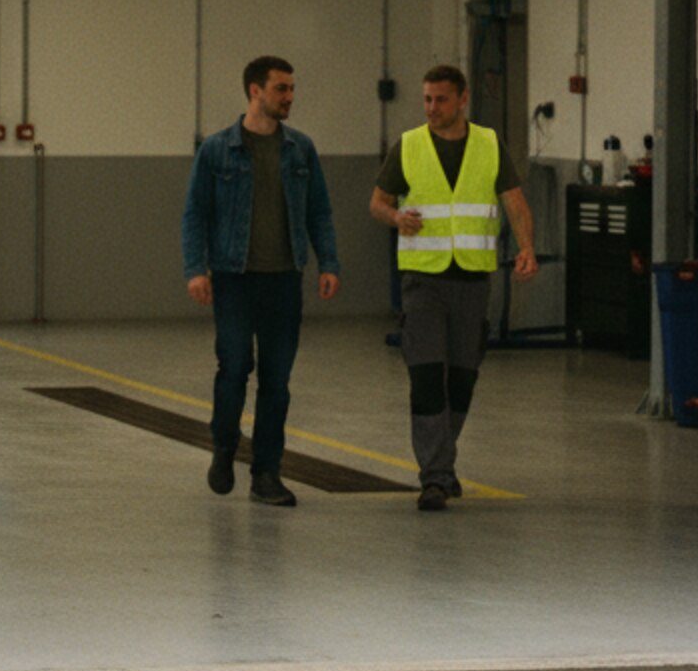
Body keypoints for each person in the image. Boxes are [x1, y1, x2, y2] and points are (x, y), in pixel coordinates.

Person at [369, 64, 537, 511]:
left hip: (471, 282)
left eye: (440, 99)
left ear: (462, 99)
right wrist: (396, 218)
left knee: (461, 379)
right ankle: (436, 477)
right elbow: (378, 203)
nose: (431, 108)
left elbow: (515, 202)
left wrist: (527, 248)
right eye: (426, 99)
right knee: (426, 378)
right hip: (423, 280)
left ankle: (441, 464)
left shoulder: (488, 144)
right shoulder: (407, 146)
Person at [181, 56, 341, 507]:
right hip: (234, 279)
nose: (289, 97)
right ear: (256, 91)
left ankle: (267, 473)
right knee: (234, 369)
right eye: (281, 89)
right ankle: (224, 446)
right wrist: (196, 269)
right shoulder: (217, 150)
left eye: (292, 89)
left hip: (284, 280)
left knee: (277, 380)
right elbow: (195, 213)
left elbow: (319, 211)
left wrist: (328, 262)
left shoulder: (300, 150)